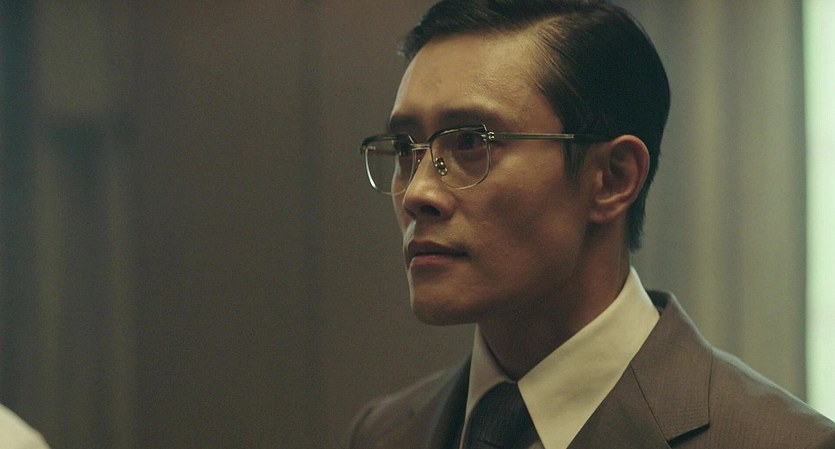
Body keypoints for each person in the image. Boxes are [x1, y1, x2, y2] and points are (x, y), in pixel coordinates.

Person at [345, 0, 835, 448]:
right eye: (405, 149)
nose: (417, 194)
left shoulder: (781, 441)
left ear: (613, 178)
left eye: (471, 143)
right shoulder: (383, 434)